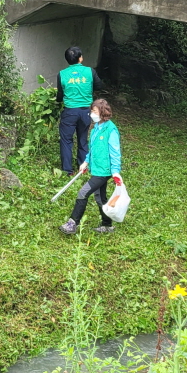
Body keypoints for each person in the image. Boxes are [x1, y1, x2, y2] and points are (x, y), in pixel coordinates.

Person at [59, 99, 123, 235]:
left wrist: (115, 172)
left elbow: (115, 152)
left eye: (94, 111)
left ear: (102, 112)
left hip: (104, 171)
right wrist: (86, 162)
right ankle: (107, 225)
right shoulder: (95, 129)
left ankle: (73, 223)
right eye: (91, 111)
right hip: (96, 169)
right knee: (100, 197)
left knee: (83, 192)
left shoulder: (110, 130)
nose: (91, 114)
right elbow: (92, 149)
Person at [57, 46, 102, 175]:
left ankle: (67, 170)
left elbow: (60, 96)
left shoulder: (61, 74)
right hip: (86, 112)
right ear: (80, 58)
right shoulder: (90, 71)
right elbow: (99, 85)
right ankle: (83, 168)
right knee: (83, 139)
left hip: (69, 112)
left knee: (66, 140)